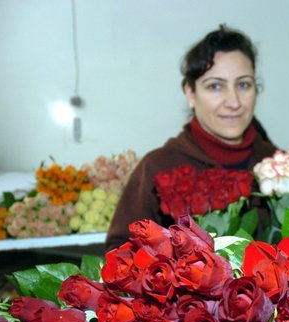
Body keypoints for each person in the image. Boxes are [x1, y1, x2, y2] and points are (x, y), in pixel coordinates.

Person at [106, 25, 277, 250]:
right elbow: (119, 252)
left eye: (243, 84)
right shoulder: (158, 167)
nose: (234, 102)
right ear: (190, 93)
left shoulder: (280, 166)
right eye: (215, 86)